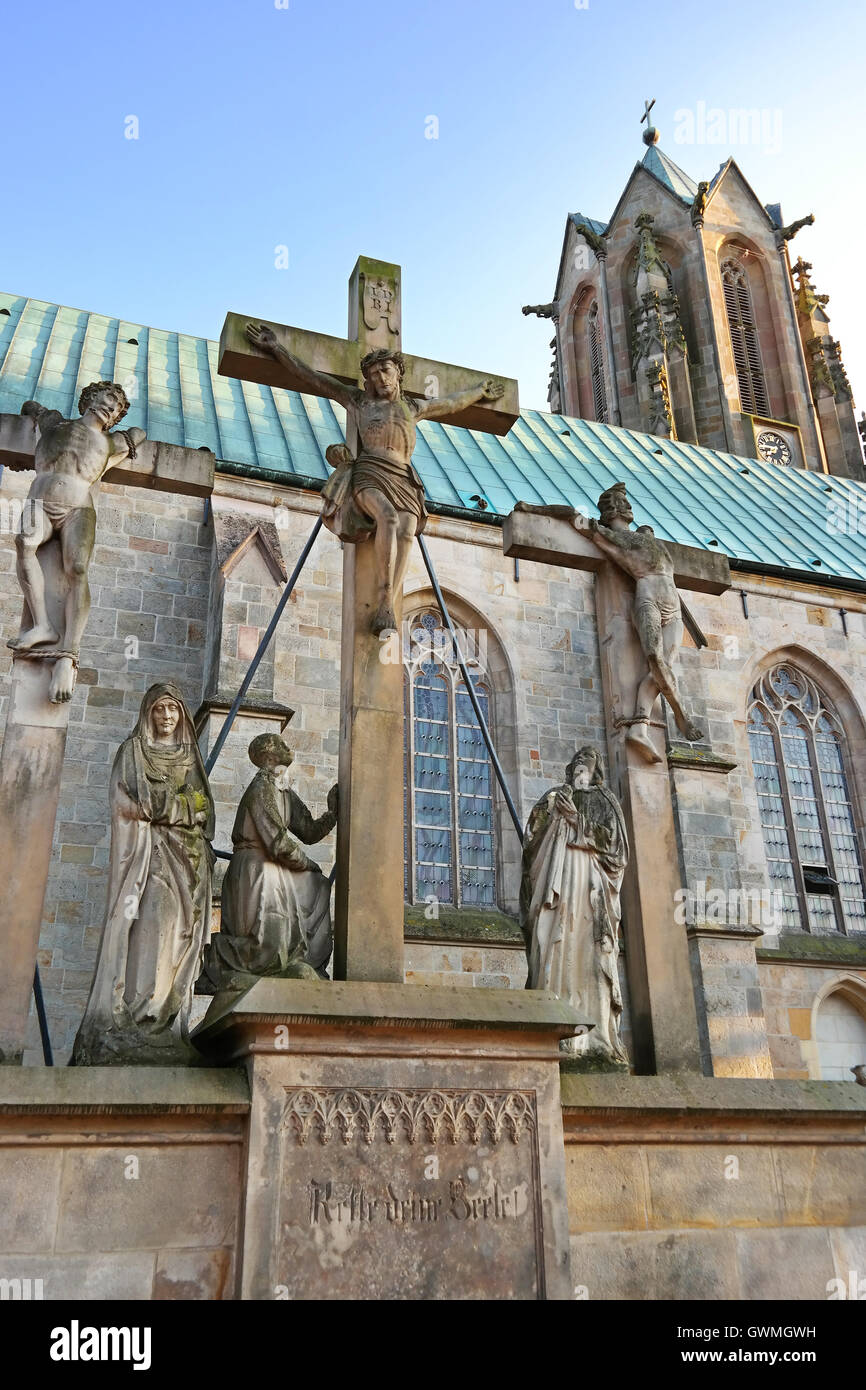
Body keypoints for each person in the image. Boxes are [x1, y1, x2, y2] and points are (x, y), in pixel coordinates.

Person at [245, 323, 503, 634]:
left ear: (398, 374)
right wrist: (276, 349)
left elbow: (451, 403)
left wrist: (479, 392)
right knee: (389, 520)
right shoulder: (359, 401)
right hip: (371, 472)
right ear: (367, 380)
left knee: (407, 531)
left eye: (386, 370)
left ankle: (389, 603)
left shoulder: (413, 407)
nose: (381, 377)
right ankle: (382, 599)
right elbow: (312, 377)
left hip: (405, 477)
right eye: (374, 373)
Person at [71, 683, 214, 1065]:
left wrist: (173, 807)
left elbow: (205, 811)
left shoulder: (189, 756)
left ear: (182, 715)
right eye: (159, 710)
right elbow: (132, 803)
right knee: (152, 922)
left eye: (173, 710)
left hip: (189, 863)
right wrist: (178, 806)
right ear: (148, 713)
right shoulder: (133, 753)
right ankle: (137, 1017)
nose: (167, 717)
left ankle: (163, 1022)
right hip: (147, 857)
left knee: (178, 937)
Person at [11, 381, 145, 703]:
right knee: (24, 541)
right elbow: (32, 407)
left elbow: (139, 434)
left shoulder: (112, 443)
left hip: (78, 510)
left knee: (78, 568)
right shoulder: (56, 423)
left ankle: (67, 653)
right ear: (89, 397)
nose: (109, 409)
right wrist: (32, 410)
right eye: (106, 399)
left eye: (116, 409)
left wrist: (127, 436)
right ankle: (42, 625)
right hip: (40, 501)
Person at [198, 734, 338, 992]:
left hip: (276, 865)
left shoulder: (283, 791)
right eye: (281, 744)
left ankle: (307, 960)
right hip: (255, 866)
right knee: (269, 940)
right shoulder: (261, 788)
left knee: (318, 886)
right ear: (269, 754)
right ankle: (219, 955)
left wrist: (333, 813)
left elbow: (308, 830)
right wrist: (306, 862)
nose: (289, 747)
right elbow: (276, 840)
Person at [521, 746, 629, 1063]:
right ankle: (554, 1032)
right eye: (577, 762)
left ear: (596, 771)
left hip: (590, 890)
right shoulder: (554, 795)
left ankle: (596, 1038)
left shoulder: (605, 799)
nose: (582, 766)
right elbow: (532, 839)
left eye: (588, 762)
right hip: (557, 887)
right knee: (552, 949)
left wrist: (578, 821)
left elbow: (617, 848)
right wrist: (556, 813)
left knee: (592, 955)